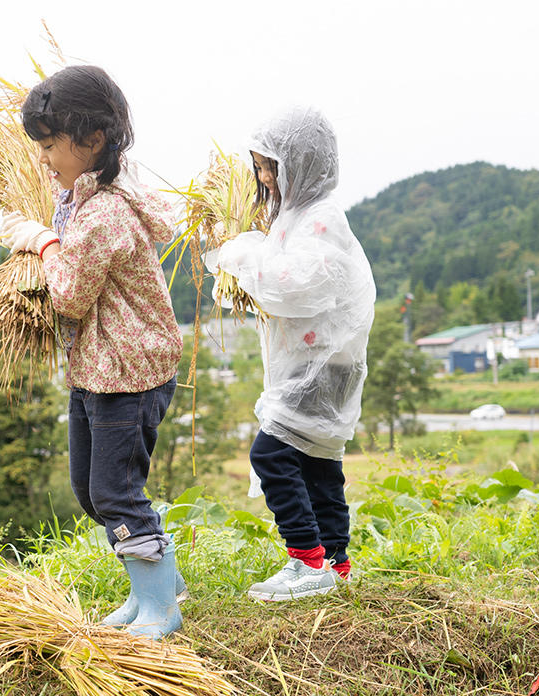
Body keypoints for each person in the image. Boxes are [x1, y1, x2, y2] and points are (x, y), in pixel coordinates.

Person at [1, 65, 185, 639]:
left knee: (114, 491)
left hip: (126, 376)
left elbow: (71, 296)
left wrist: (46, 242)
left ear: (93, 139)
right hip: (99, 370)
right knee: (92, 490)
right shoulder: (84, 194)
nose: (45, 158)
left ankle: (161, 607)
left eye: (51, 144)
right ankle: (153, 586)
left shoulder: (104, 211)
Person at [207, 106, 375, 601]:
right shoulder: (295, 216)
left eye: (267, 166)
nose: (261, 176)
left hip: (322, 363)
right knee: (317, 462)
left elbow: (294, 285)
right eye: (258, 166)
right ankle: (336, 564)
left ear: (299, 161)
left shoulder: (321, 219)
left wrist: (241, 255)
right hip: (321, 360)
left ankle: (305, 560)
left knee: (272, 453)